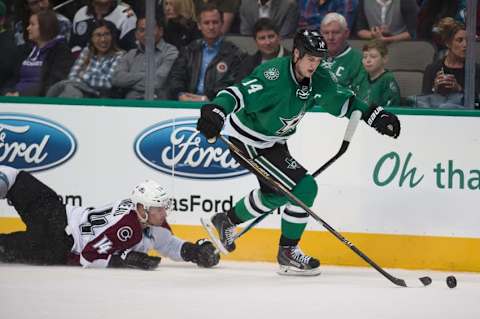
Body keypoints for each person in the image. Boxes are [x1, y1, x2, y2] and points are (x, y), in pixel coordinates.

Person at [196, 29, 400, 275]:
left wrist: (372, 114)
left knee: (278, 194)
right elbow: (237, 93)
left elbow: (341, 100)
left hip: (275, 142)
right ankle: (288, 252)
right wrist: (217, 110)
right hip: (249, 142)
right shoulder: (272, 75)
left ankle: (227, 220)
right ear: (296, 54)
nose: (315, 64)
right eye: (310, 58)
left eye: (318, 59)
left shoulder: (318, 76)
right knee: (304, 188)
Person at [0, 165, 220, 269]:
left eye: (163, 207)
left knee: (15, 178)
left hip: (59, 212)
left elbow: (169, 244)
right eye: (158, 208)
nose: (163, 213)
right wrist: (121, 261)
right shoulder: (128, 228)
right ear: (142, 209)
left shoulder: (147, 220)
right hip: (56, 244)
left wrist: (195, 252)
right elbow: (86, 257)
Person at [167, 4, 244, 102]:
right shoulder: (189, 50)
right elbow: (176, 77)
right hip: (187, 104)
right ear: (199, 25)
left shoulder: (235, 54)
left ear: (222, 24)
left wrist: (208, 98)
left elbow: (233, 84)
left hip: (217, 105)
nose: (211, 27)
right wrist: (180, 94)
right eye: (206, 23)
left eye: (215, 22)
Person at [2, 9, 74, 96]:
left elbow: (54, 83)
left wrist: (22, 94)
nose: (28, 28)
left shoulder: (61, 52)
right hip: (15, 98)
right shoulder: (26, 50)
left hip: (38, 102)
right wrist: (7, 91)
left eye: (32, 24)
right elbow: (13, 78)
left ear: (45, 26)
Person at [47, 19, 123, 98]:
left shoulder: (119, 56)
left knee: (70, 90)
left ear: (112, 37)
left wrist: (84, 76)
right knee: (67, 89)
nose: (103, 40)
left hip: (101, 98)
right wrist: (88, 81)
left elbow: (109, 83)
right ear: (91, 38)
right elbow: (72, 76)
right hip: (79, 91)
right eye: (98, 35)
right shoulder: (87, 51)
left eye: (107, 34)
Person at [112, 15, 178, 100]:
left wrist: (129, 82)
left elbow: (157, 82)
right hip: (129, 106)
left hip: (158, 105)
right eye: (142, 30)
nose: (147, 34)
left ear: (161, 31)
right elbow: (116, 79)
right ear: (136, 35)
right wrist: (146, 76)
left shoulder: (170, 52)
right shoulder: (130, 55)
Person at [419, 18, 479, 109]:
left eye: (468, 40)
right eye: (459, 40)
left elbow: (477, 102)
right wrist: (434, 89)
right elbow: (423, 102)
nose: (465, 45)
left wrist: (459, 89)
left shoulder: (475, 69)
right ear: (448, 43)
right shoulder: (432, 69)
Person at [320, 12, 366, 93]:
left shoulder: (359, 61)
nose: (330, 37)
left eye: (336, 32)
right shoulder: (311, 58)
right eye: (326, 33)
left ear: (346, 33)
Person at [70, 0, 137, 54]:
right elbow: (74, 47)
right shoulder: (80, 13)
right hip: (81, 65)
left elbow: (132, 52)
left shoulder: (126, 15)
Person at [357, 39, 400, 106]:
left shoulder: (387, 79)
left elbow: (391, 107)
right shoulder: (361, 77)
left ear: (384, 59)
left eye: (373, 56)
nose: (368, 60)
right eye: (365, 57)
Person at [354, 0, 419, 43]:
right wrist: (374, 35)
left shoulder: (407, 1)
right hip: (373, 46)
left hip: (402, 45)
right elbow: (360, 30)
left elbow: (412, 32)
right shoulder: (364, 1)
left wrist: (390, 39)